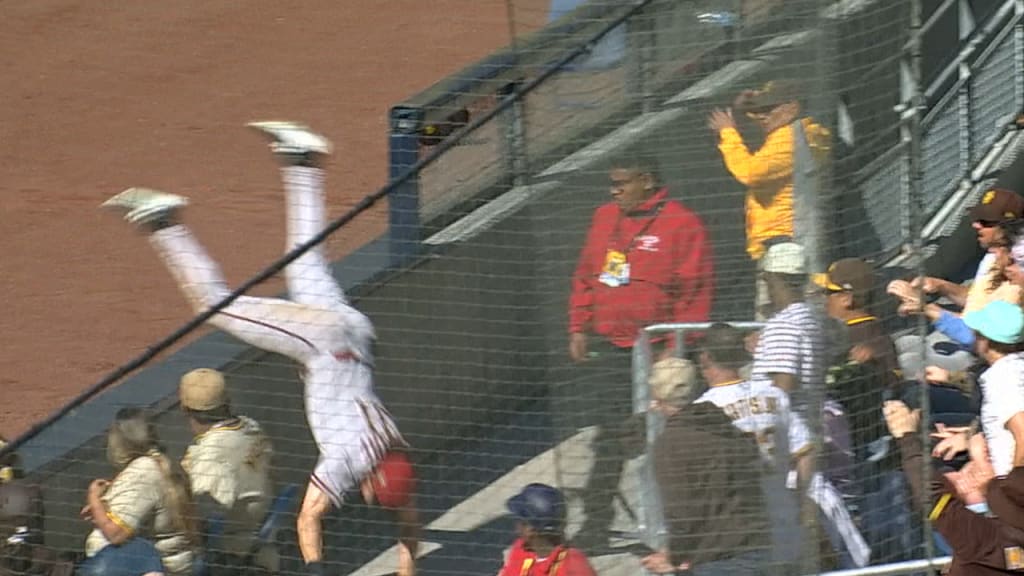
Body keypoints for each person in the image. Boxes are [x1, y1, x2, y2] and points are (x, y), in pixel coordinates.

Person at [100, 121, 419, 576]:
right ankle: (162, 222)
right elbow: (309, 517)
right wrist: (316, 570)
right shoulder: (349, 461)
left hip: (355, 334)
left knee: (306, 262)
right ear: (373, 486)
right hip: (323, 343)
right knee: (217, 306)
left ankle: (302, 161)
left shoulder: (397, 451)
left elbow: (409, 521)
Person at [566, 156, 713, 549]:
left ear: (646, 182)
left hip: (662, 353)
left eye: (621, 183)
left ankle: (689, 523)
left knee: (674, 437)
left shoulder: (683, 224)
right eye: (611, 184)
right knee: (610, 440)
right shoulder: (604, 218)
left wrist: (674, 350)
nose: (614, 191)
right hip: (612, 351)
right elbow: (585, 275)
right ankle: (596, 526)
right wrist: (579, 325)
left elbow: (695, 293)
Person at [689, 323, 869, 572]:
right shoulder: (772, 393)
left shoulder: (701, 410)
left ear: (705, 357)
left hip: (760, 515)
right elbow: (806, 452)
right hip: (805, 499)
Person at [708, 80, 831, 318]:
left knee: (778, 317)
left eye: (768, 109)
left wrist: (728, 132)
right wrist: (741, 110)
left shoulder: (791, 138)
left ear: (791, 107)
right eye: (758, 110)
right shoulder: (801, 132)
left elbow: (750, 172)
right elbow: (763, 120)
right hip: (783, 243)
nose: (760, 116)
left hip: (788, 242)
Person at [641, 355, 773, 576]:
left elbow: (682, 516)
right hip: (760, 545)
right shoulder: (725, 427)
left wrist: (672, 557)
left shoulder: (671, 443)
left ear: (657, 396)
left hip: (720, 559)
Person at [884, 400, 1024, 575]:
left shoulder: (986, 539)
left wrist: (906, 436)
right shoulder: (1002, 529)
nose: (966, 474)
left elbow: (933, 499)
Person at [177, 369, 276, 574]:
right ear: (227, 401)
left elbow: (202, 519)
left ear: (185, 410)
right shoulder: (251, 426)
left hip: (232, 556)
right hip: (264, 537)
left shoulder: (210, 456)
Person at [79, 407, 196, 576]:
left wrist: (94, 498)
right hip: (171, 560)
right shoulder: (162, 461)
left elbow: (116, 534)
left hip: (157, 567)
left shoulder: (143, 471)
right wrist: (102, 508)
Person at [748, 242, 826, 414]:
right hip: (809, 425)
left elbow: (782, 386)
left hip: (787, 434)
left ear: (774, 277)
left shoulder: (783, 324)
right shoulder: (810, 317)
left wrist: (750, 416)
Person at [498, 484, 596, 576]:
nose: (516, 525)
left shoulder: (573, 567)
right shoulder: (521, 550)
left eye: (519, 520)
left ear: (530, 530)